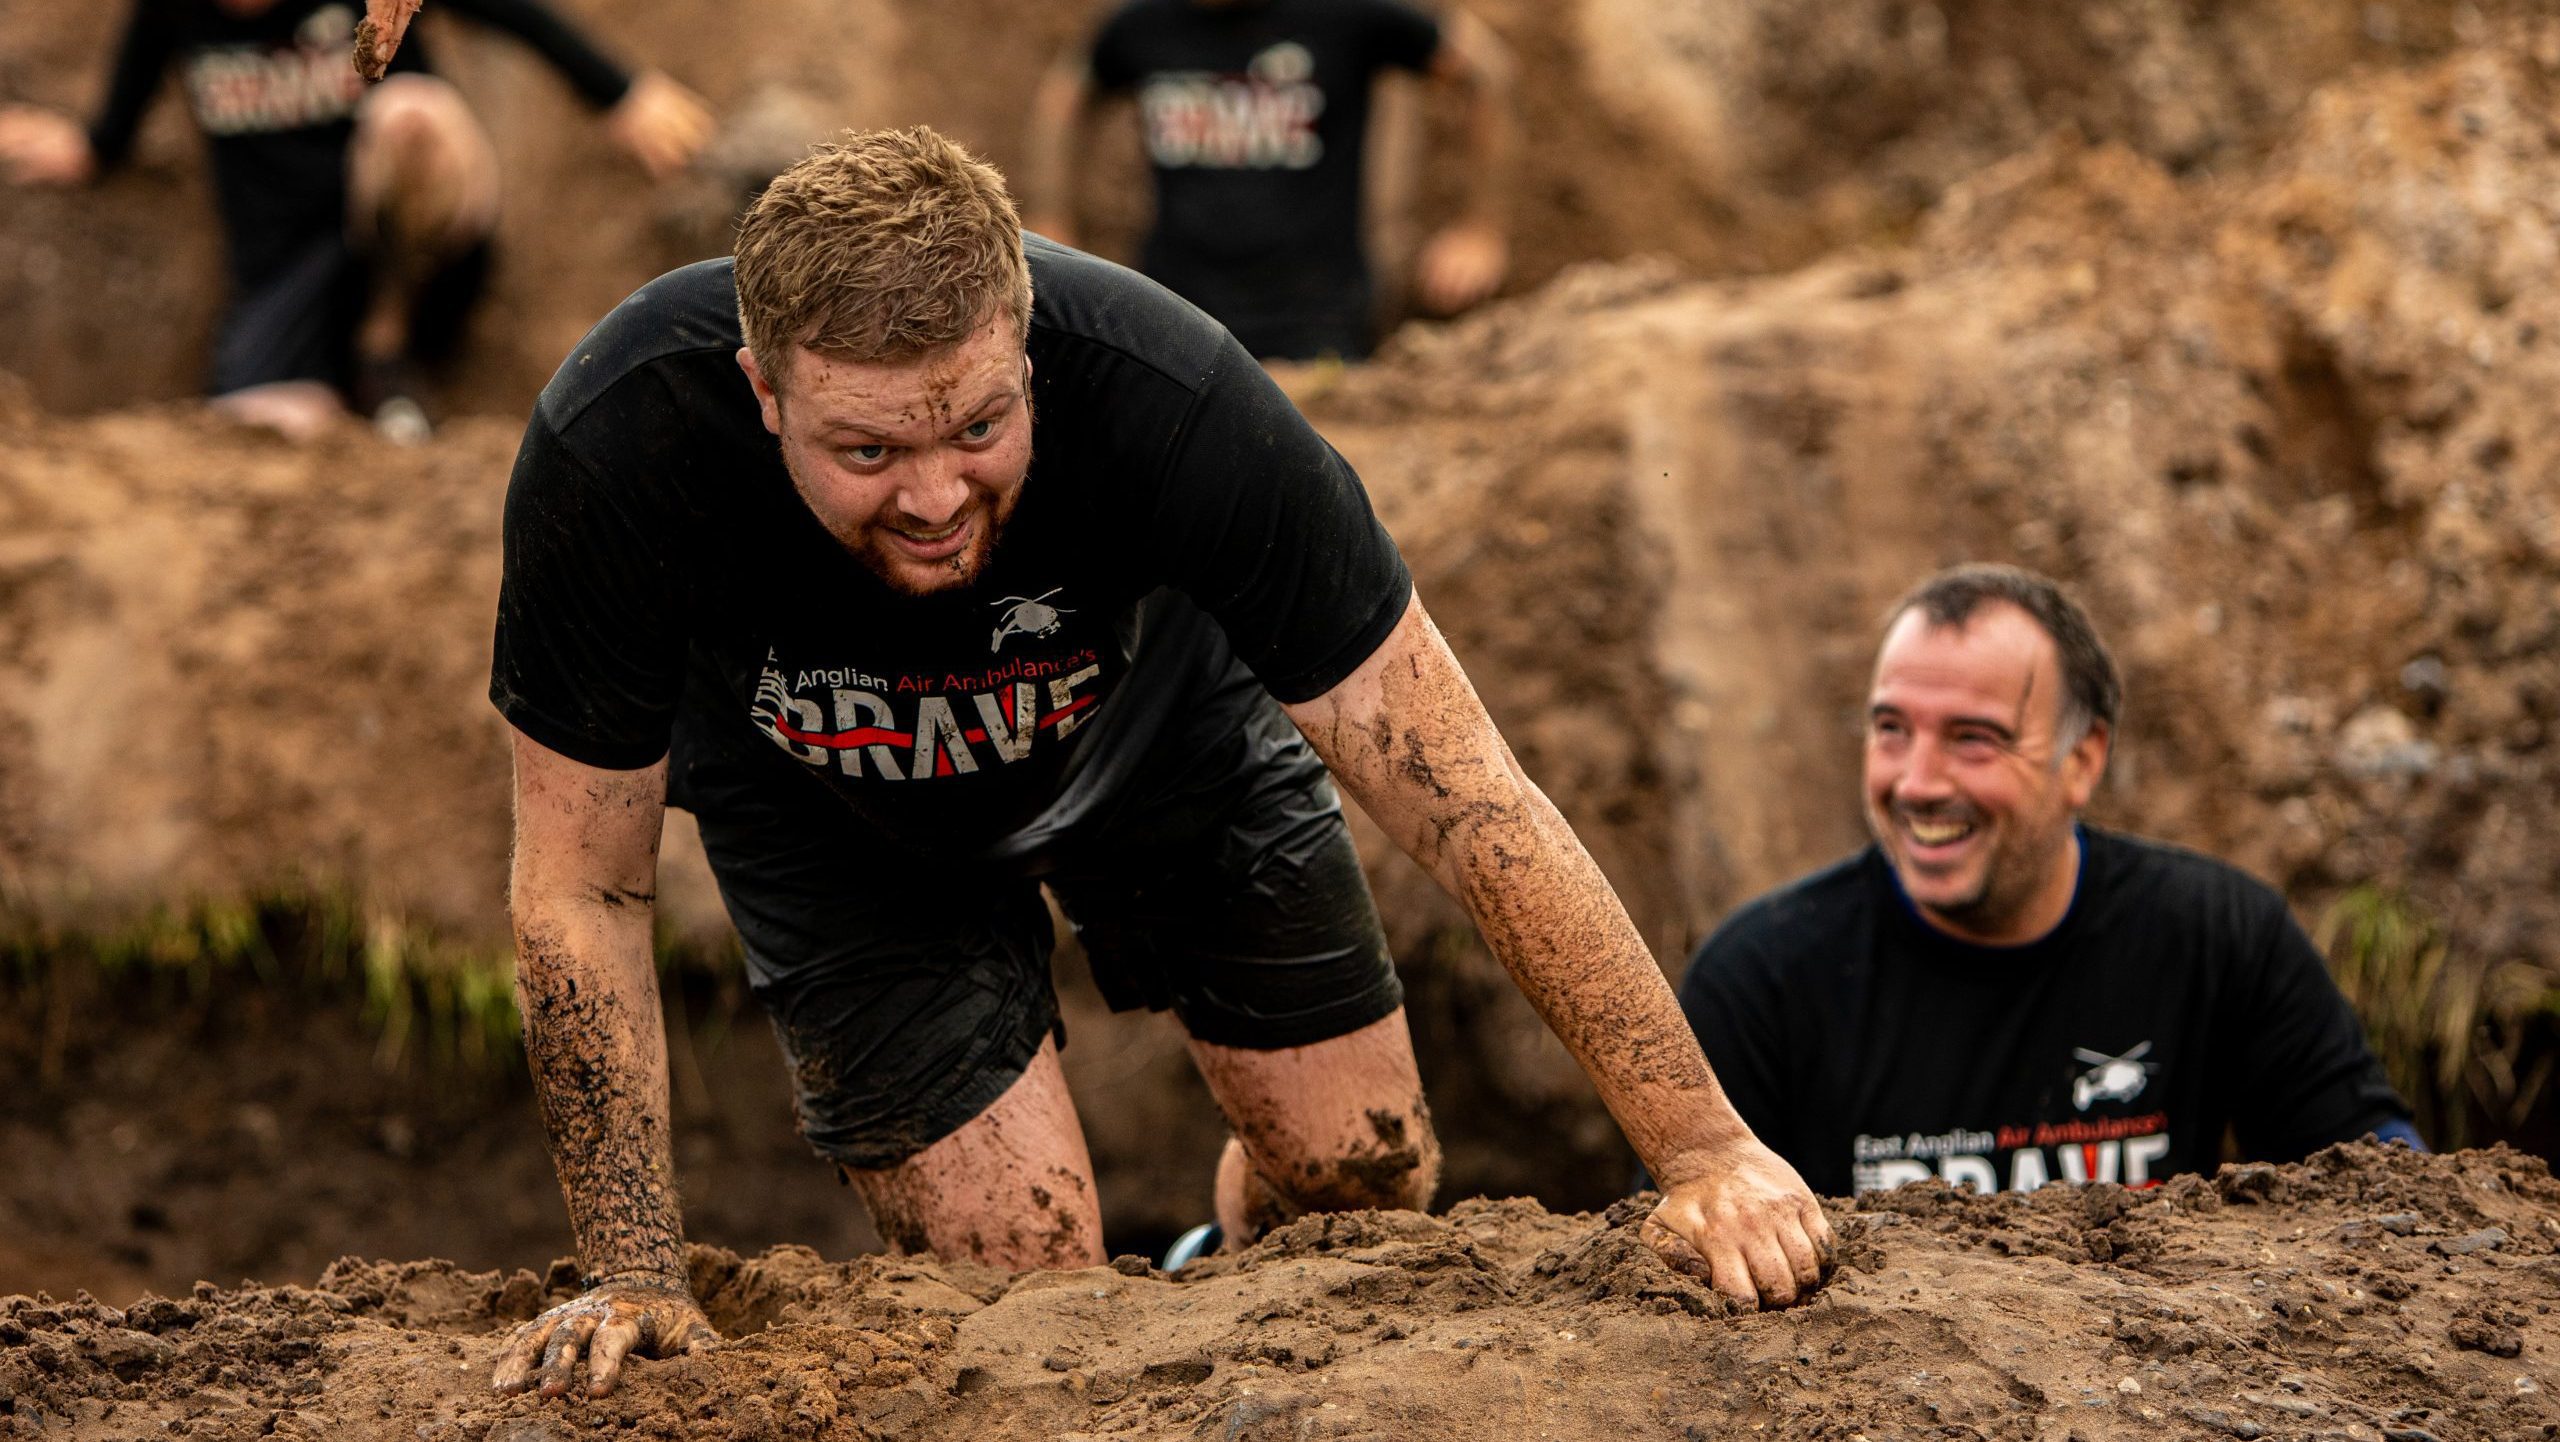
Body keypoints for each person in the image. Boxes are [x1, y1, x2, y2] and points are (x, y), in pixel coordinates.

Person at [484, 125, 1828, 1401]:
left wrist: (1704, 1150)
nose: (937, 497)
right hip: (830, 810)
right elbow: (582, 888)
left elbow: (1463, 789)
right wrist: (631, 1270)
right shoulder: (620, 442)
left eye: (977, 430)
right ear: (760, 389)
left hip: (1157, 735)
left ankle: (1217, 1282)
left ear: (1026, 349)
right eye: (867, 449)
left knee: (1364, 1176)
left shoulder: (1173, 395)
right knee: (1025, 1278)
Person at [1673, 563, 2419, 1200]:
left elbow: (2384, 1178)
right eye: (1891, 728)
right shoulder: (1758, 982)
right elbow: (1674, 1250)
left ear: (2083, 761)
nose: (1917, 782)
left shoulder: (2219, 934)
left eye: (1974, 739)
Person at [0, 0, 710, 441]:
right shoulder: (171, 12)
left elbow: (508, 10)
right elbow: (116, 121)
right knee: (261, 437)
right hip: (284, 277)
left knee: (411, 116)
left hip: (412, 242)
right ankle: (362, 388)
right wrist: (85, 148)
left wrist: (619, 92)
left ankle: (396, 342)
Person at [1020, 0, 1514, 361]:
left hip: (1317, 324)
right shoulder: (1143, 25)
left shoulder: (1347, 15)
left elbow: (1484, 74)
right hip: (1174, 316)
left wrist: (1482, 229)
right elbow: (1065, 99)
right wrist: (1052, 219)